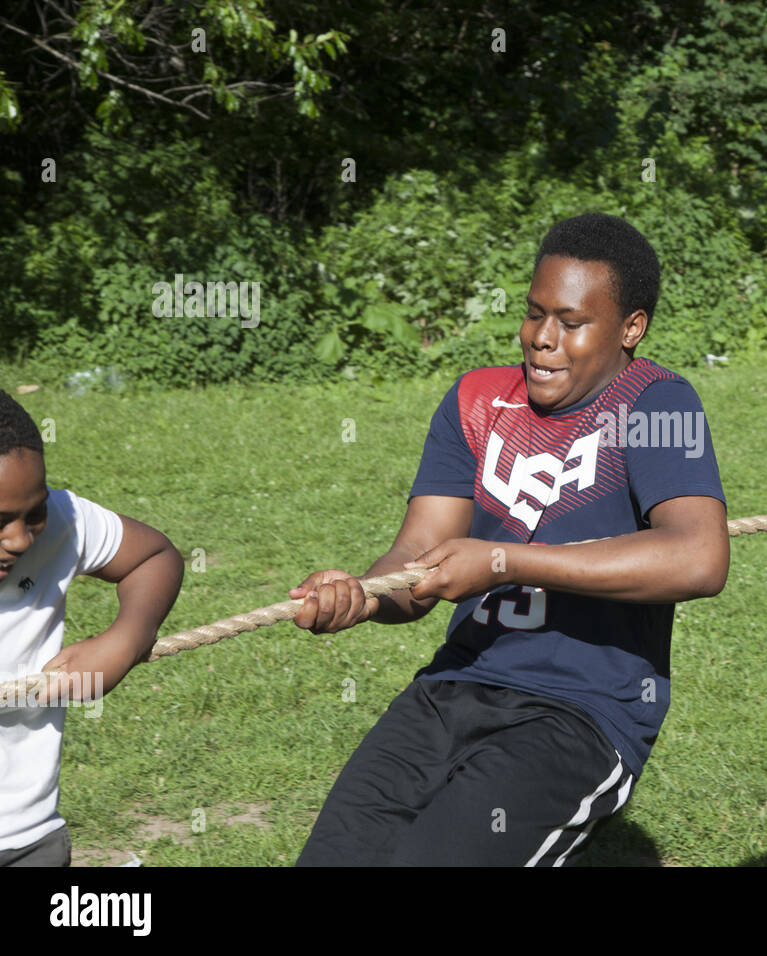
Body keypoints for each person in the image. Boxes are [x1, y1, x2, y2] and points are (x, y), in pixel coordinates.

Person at [292, 213, 729, 866]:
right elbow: (416, 555)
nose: (542, 340)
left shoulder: (657, 406)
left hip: (577, 717)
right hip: (449, 688)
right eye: (534, 314)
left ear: (631, 328)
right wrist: (361, 595)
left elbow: (699, 557)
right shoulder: (476, 400)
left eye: (571, 322)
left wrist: (501, 562)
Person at [0, 390, 183, 866]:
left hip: (26, 835)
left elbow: (153, 556)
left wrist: (126, 639)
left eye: (32, 513)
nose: (19, 539)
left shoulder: (62, 522)